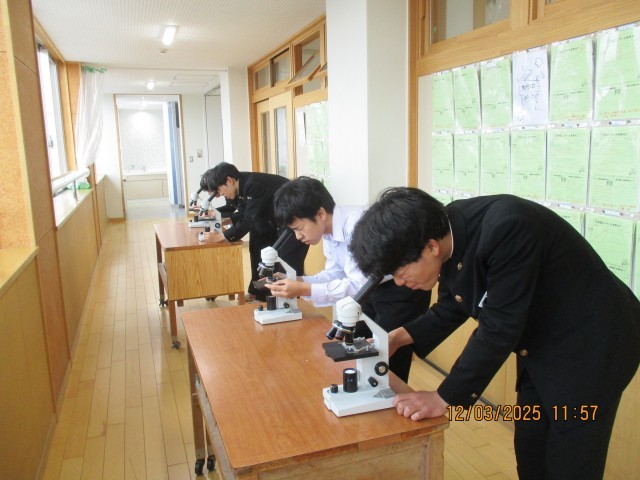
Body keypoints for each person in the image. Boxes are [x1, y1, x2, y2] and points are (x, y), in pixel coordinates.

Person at [348, 187, 640, 480]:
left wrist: (443, 397)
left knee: (570, 460)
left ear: (431, 247)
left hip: (593, 344)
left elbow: (499, 327)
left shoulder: (508, 227)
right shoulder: (449, 231)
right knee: (531, 447)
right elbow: (452, 306)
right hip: (543, 344)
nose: (400, 283)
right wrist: (399, 337)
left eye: (401, 273)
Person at [265, 177, 431, 382]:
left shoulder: (355, 225)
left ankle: (391, 398)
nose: (298, 237)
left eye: (299, 228)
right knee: (357, 347)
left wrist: (303, 289)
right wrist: (300, 280)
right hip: (371, 290)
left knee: (387, 360)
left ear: (320, 214)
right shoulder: (328, 232)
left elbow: (357, 284)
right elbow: (336, 273)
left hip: (401, 290)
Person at [199, 163, 309, 301]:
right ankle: (260, 293)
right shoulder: (240, 184)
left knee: (284, 260)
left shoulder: (253, 185)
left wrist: (221, 236)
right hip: (270, 221)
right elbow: (245, 212)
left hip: (296, 220)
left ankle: (289, 301)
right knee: (258, 251)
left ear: (229, 181)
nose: (219, 194)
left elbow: (249, 219)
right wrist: (225, 221)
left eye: (219, 190)